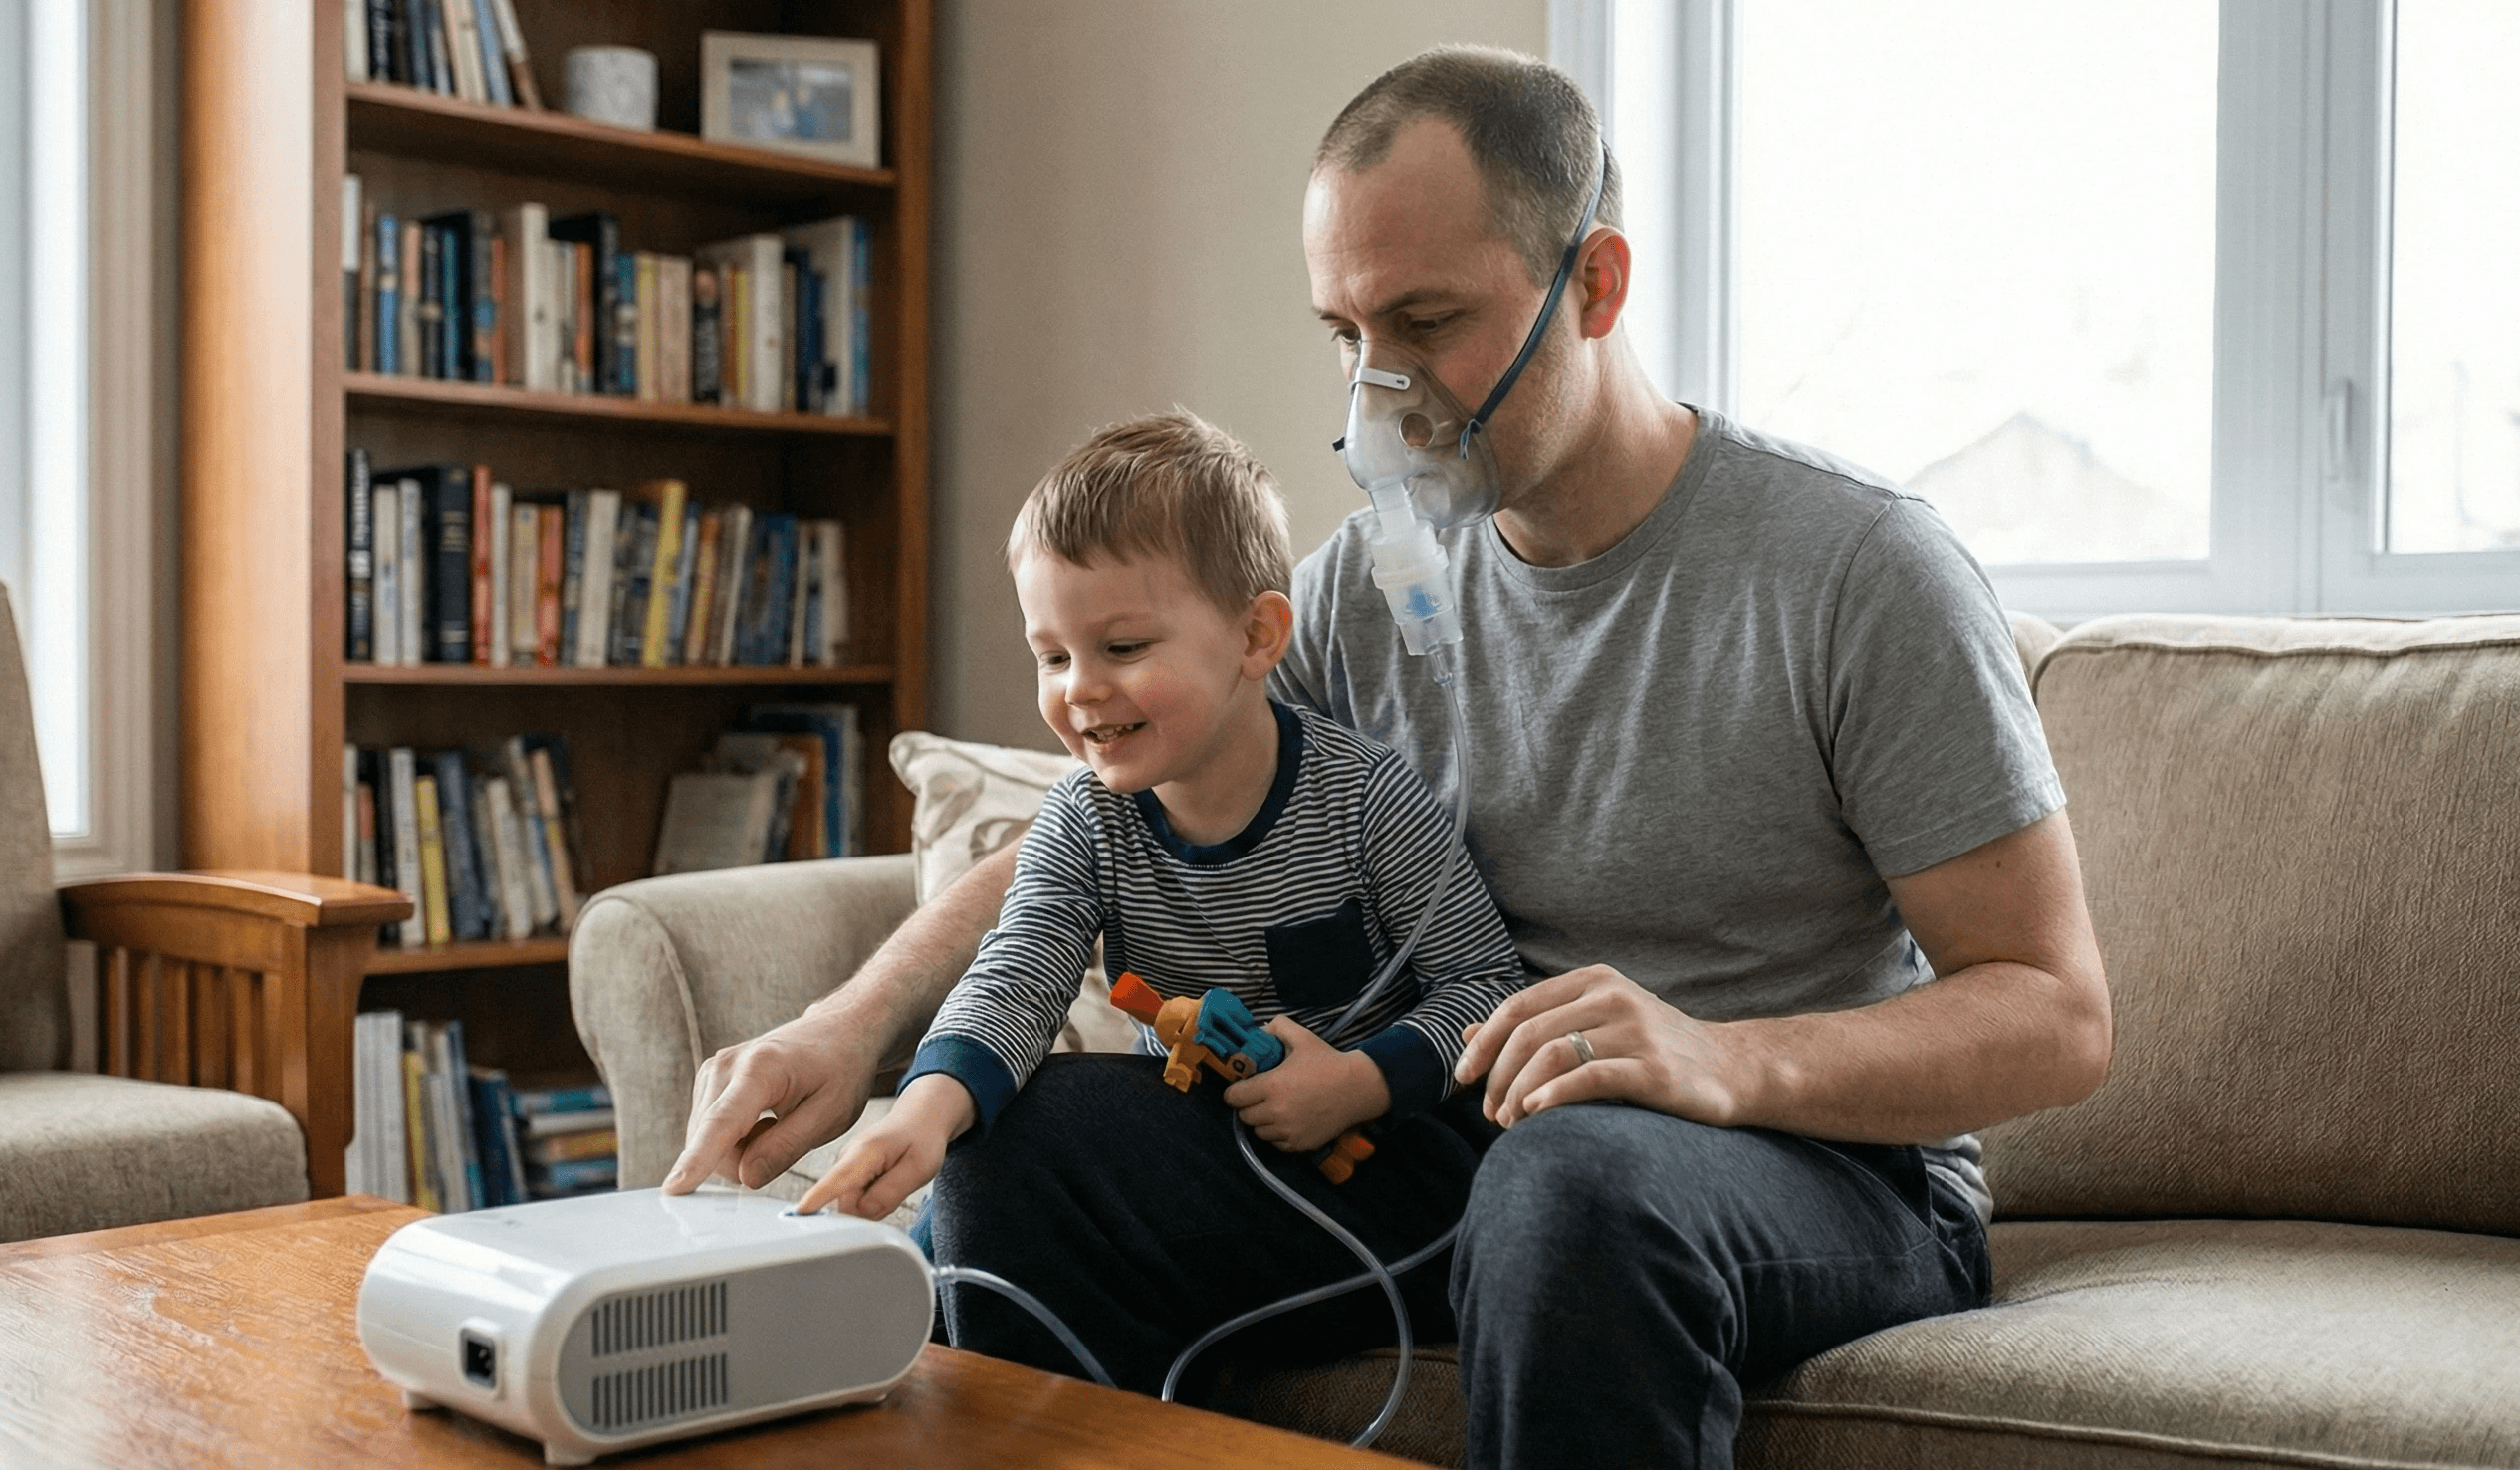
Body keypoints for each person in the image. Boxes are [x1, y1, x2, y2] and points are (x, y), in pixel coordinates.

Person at [665, 46, 2110, 1470]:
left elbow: (2052, 1015)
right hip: (1457, 1137)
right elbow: (1100, 819)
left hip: (1813, 1176)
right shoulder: (1370, 583)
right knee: (1023, 1152)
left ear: (1593, 284)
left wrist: (1718, 1062)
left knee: (1573, 1180)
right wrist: (856, 1031)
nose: (1380, 388)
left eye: (1425, 319)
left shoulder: (1854, 570)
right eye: (1344, 334)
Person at [793, 411, 1528, 1272]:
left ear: (1256, 636)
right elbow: (1018, 971)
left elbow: (1484, 987)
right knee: (995, 1148)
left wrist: (1360, 1082)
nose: (1081, 690)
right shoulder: (1084, 819)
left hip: (1387, 1151)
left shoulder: (1366, 797)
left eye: (1123, 647)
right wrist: (928, 1106)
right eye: (1053, 658)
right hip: (1199, 1144)